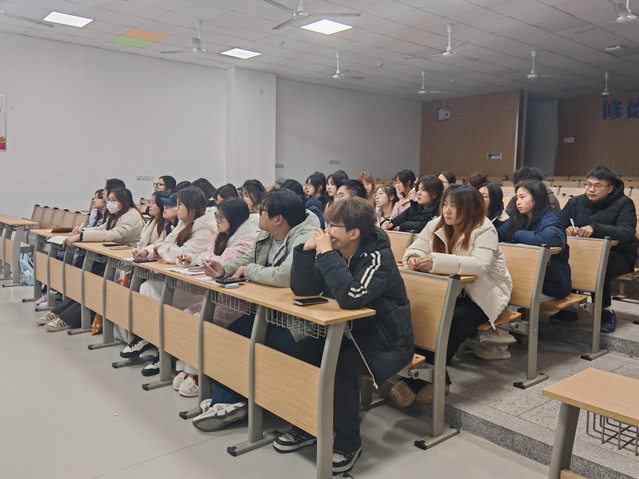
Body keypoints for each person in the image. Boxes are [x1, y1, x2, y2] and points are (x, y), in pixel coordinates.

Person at [272, 197, 414, 475]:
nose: (326, 232)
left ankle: (348, 443)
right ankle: (307, 426)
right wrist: (305, 252)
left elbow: (352, 296)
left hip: (386, 341)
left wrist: (326, 254)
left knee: (340, 367)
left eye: (333, 226)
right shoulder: (336, 251)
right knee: (297, 355)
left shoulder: (378, 258)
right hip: (347, 334)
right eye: (327, 225)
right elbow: (304, 290)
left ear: (354, 233)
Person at [191, 189, 319, 432]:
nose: (257, 213)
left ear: (278, 219)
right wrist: (224, 268)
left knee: (265, 346)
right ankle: (227, 400)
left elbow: (284, 276)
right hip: (267, 311)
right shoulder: (267, 233)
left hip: (296, 319)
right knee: (233, 334)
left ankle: (235, 401)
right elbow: (247, 259)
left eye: (263, 211)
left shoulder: (305, 237)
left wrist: (248, 271)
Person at [389, 185, 512, 407]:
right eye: (445, 204)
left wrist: (435, 262)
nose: (447, 210)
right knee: (424, 314)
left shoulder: (485, 229)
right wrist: (413, 259)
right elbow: (415, 248)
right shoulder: (436, 224)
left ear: (469, 207)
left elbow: (480, 265)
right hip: (450, 292)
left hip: (482, 295)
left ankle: (415, 383)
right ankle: (439, 379)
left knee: (453, 320)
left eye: (454, 206)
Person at [120, 187, 217, 375]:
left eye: (180, 204)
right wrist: (147, 251)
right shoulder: (183, 224)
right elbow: (166, 245)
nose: (176, 208)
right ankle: (151, 339)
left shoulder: (205, 230)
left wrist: (160, 251)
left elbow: (182, 254)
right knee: (147, 288)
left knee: (152, 291)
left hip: (196, 289)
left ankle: (163, 349)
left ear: (192, 208)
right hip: (179, 281)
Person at [173, 198, 259, 397]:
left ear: (234, 219)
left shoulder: (246, 240)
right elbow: (207, 255)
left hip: (238, 304)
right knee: (187, 315)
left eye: (221, 217)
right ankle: (188, 368)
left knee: (199, 319)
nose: (217, 221)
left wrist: (200, 259)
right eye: (216, 216)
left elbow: (221, 261)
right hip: (219, 298)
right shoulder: (223, 236)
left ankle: (198, 374)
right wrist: (192, 258)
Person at [483, 181, 571, 360]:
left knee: (505, 290)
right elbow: (498, 234)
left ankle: (498, 345)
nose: (518, 201)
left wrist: (517, 235)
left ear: (536, 198)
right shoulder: (517, 218)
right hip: (524, 279)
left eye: (523, 197)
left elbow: (552, 239)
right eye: (517, 197)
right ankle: (488, 337)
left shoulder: (550, 219)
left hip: (551, 283)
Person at [38, 187, 144, 332]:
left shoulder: (131, 215)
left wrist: (81, 237)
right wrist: (82, 231)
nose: (110, 203)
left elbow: (113, 234)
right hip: (113, 260)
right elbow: (102, 229)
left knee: (96, 284)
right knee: (89, 280)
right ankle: (58, 312)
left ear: (124, 201)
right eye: (109, 200)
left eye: (113, 200)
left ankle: (68, 318)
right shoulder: (116, 214)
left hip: (125, 264)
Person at [554, 166, 638, 333]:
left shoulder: (624, 203)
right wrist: (565, 229)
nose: (591, 189)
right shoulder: (576, 202)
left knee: (598, 265)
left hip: (619, 254)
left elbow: (626, 233)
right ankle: (569, 307)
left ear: (610, 188)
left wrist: (595, 228)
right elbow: (558, 222)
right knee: (566, 259)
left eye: (597, 186)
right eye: (588, 184)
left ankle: (605, 311)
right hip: (583, 251)